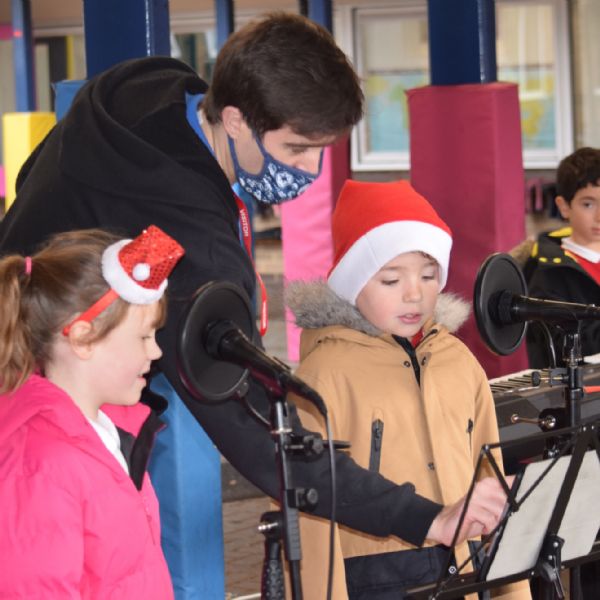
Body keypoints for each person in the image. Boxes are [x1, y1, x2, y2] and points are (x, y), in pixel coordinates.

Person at [0, 11, 510, 580]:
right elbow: (261, 432)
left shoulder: (146, 88)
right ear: (235, 119)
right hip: (45, 413)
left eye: (321, 149)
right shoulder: (193, 243)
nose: (310, 168)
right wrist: (425, 517)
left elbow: (35, 183)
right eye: (296, 148)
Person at [286, 180, 530, 599]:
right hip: (373, 577)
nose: (415, 293)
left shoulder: (458, 361)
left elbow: (490, 479)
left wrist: (514, 591)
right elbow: (308, 508)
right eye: (390, 280)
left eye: (429, 275)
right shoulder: (322, 376)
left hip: (465, 569)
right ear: (352, 285)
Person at [0, 225, 184, 597]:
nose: (156, 352)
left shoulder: (110, 431)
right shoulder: (42, 463)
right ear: (84, 339)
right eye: (143, 337)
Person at [524, 147, 600, 368]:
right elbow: (560, 346)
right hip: (578, 387)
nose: (599, 215)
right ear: (564, 207)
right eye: (588, 204)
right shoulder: (546, 270)